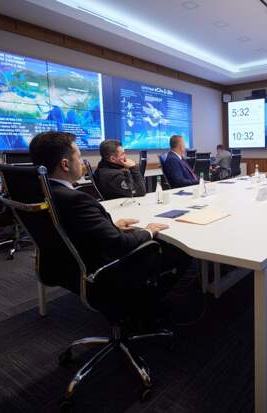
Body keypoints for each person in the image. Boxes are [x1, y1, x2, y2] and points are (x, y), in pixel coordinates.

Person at [29, 131, 189, 325]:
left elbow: (76, 229)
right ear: (65, 164)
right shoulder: (76, 199)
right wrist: (148, 231)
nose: (81, 162)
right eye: (78, 157)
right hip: (102, 273)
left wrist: (110, 225)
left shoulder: (41, 192)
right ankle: (145, 309)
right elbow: (119, 243)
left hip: (63, 268)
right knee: (177, 250)